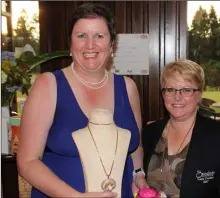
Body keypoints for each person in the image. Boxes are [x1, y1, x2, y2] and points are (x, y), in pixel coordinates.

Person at [17, 3, 146, 198]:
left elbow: (135, 146)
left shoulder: (128, 88)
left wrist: (138, 175)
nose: (90, 45)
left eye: (99, 36)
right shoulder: (48, 85)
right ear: (70, 43)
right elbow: (27, 162)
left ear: (112, 45)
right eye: (81, 36)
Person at [142, 59, 220, 198]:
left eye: (186, 90)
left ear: (200, 94)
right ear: (163, 93)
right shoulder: (150, 132)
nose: (177, 97)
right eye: (170, 89)